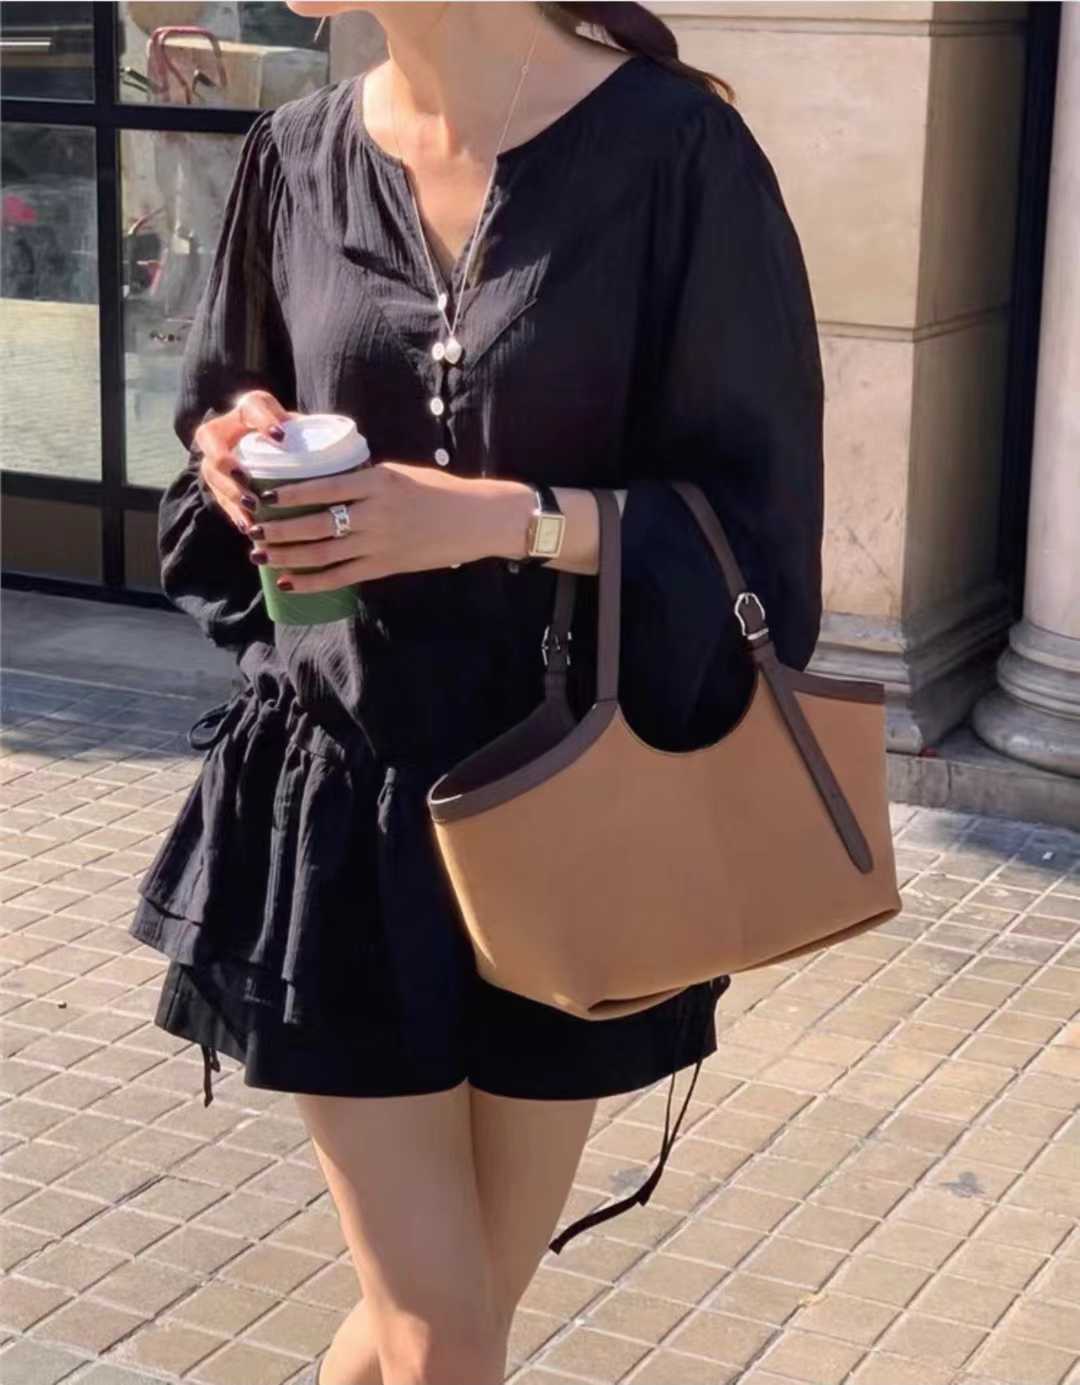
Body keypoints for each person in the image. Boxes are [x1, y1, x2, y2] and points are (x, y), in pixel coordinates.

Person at [127, 3, 824, 1381]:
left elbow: (758, 528)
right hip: (345, 801)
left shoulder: (678, 153)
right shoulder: (295, 155)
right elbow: (224, 401)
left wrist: (497, 519)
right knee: (443, 1339)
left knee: (444, 1333)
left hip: (567, 810)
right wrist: (235, 442)